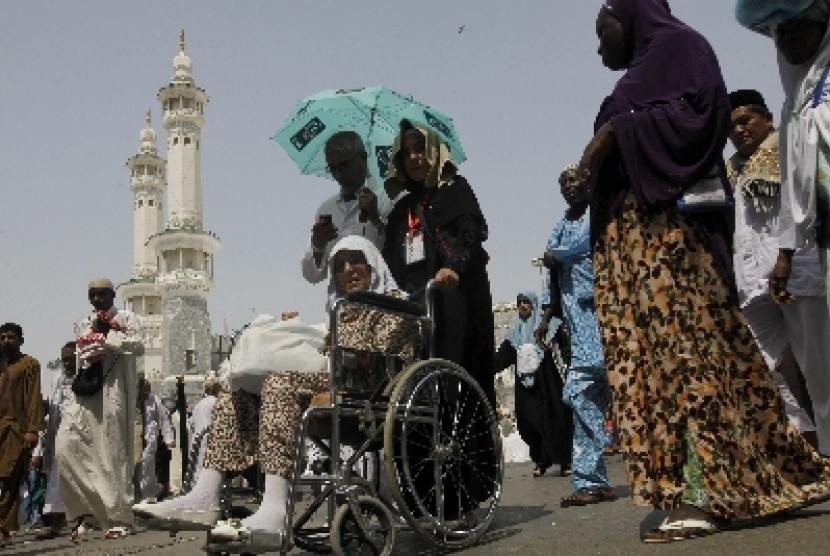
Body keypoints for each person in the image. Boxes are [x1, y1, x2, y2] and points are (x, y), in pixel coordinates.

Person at [577, 0, 830, 542]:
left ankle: (701, 493)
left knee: (686, 366)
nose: (599, 47)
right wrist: (585, 178)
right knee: (656, 369)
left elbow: (702, 116)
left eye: (603, 31)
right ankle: (763, 481)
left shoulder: (681, 48)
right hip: (631, 253)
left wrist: (617, 133)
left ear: (632, 15)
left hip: (669, 249)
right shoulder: (633, 81)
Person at [135, 236, 420, 542]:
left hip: (372, 398)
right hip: (336, 388)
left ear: (373, 265)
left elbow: (390, 365)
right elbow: (329, 358)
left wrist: (343, 391)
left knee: (279, 384)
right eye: (340, 265)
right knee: (236, 395)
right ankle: (205, 493)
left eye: (356, 261)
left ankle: (275, 509)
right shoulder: (342, 312)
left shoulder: (394, 305)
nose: (348, 270)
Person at [727, 88, 830, 452]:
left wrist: (784, 259)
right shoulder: (733, 172)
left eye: (745, 121)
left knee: (817, 372)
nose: (738, 131)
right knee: (753, 369)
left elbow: (801, 208)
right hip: (753, 282)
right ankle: (806, 443)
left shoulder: (788, 152)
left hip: (796, 273)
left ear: (767, 119)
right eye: (731, 126)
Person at [383, 119, 496, 407]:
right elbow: (389, 261)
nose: (413, 158)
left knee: (461, 373)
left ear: (434, 151)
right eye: (406, 153)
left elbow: (471, 236)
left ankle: (473, 451)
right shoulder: (402, 209)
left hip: (457, 295)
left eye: (419, 149)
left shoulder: (455, 189)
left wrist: (454, 267)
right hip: (420, 304)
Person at [540, 165, 615, 508]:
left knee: (584, 389)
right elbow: (550, 271)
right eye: (564, 182)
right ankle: (591, 481)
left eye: (575, 180)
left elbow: (589, 243)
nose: (570, 187)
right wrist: (546, 316)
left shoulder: (599, 212)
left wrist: (559, 256)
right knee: (583, 394)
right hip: (577, 322)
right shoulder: (560, 225)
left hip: (606, 313)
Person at [56, 277, 145, 540]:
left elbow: (138, 345)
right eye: (93, 295)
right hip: (85, 395)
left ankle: (119, 518)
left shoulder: (127, 318)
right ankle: (87, 513)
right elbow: (80, 355)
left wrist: (109, 336)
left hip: (114, 394)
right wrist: (93, 335)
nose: (98, 299)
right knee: (67, 447)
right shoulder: (85, 322)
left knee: (112, 454)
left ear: (112, 295)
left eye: (102, 294)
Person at [493, 291, 572, 478]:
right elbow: (503, 357)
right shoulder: (515, 332)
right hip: (526, 386)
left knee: (557, 418)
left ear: (534, 304)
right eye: (520, 302)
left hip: (548, 381)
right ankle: (541, 461)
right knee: (529, 421)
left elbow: (565, 345)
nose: (523, 306)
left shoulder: (550, 326)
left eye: (526, 302)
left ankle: (564, 461)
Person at [302, 131, 385, 286]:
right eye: (333, 168)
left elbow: (399, 256)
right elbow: (311, 276)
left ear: (363, 158)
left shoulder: (388, 199)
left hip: (383, 302)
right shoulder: (327, 209)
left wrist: (376, 219)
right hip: (343, 305)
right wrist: (318, 246)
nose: (339, 174)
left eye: (344, 165)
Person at [0, 323, 43, 548]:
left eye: (11, 337)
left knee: (9, 478)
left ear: (21, 340)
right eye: (3, 337)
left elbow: (34, 397)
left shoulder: (29, 365)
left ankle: (3, 529)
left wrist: (33, 429)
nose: (6, 341)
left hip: (15, 429)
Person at [35, 341, 76, 540]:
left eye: (70, 359)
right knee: (56, 480)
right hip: (59, 435)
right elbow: (54, 410)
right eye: (64, 360)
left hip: (80, 438)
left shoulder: (88, 377)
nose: (66, 363)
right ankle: (55, 524)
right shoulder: (58, 379)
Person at [137, 378, 175, 501]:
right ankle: (139, 491)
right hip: (137, 438)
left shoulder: (154, 400)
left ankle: (148, 492)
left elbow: (163, 419)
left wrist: (168, 438)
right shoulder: (135, 400)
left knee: (148, 465)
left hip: (150, 438)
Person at [184, 376, 221, 490]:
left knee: (198, 469)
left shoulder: (198, 405)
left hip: (198, 440)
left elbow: (191, 423)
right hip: (212, 439)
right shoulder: (217, 403)